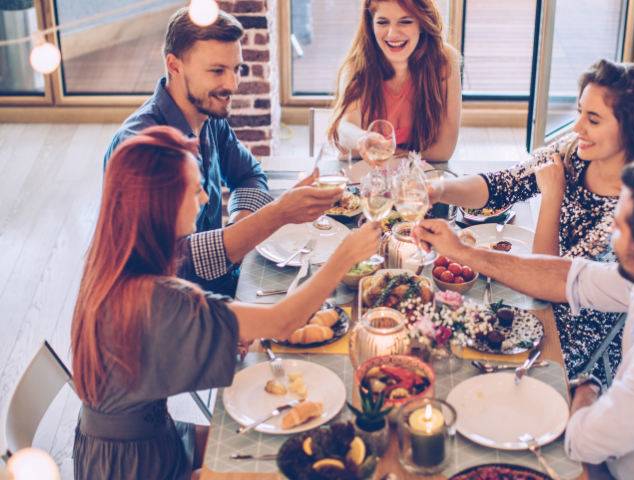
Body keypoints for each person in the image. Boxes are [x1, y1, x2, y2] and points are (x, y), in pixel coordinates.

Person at [72, 126, 381, 480]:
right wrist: (343, 257)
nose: (206, 198)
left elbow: (152, 352)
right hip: (136, 467)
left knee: (282, 447)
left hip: (135, 443)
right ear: (163, 205)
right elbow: (283, 321)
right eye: (195, 190)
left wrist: (210, 337)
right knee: (289, 461)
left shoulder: (114, 260)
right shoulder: (155, 299)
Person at [415, 162, 634, 480]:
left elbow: (581, 441)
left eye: (619, 225)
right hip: (628, 446)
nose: (611, 231)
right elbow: (566, 277)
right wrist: (462, 252)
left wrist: (588, 386)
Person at [428, 59, 634, 382]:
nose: (577, 128)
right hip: (536, 295)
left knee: (465, 361)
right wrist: (439, 188)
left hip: (579, 339)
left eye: (593, 119)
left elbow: (551, 283)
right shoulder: (576, 151)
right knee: (441, 330)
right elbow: (502, 185)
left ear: (632, 128)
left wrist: (552, 196)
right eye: (579, 111)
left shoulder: (633, 209)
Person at [103, 8, 341, 296]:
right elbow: (172, 263)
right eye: (217, 70)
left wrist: (242, 227)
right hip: (167, 314)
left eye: (236, 68)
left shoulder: (209, 117)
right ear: (174, 66)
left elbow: (248, 174)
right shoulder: (144, 149)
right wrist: (275, 215)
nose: (232, 85)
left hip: (219, 287)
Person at [327, 0, 461, 162]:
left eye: (405, 22)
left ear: (422, 23)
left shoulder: (444, 60)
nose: (392, 33)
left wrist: (384, 151)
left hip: (421, 182)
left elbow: (443, 151)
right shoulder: (356, 68)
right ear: (371, 25)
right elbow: (345, 131)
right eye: (382, 22)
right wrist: (364, 138)